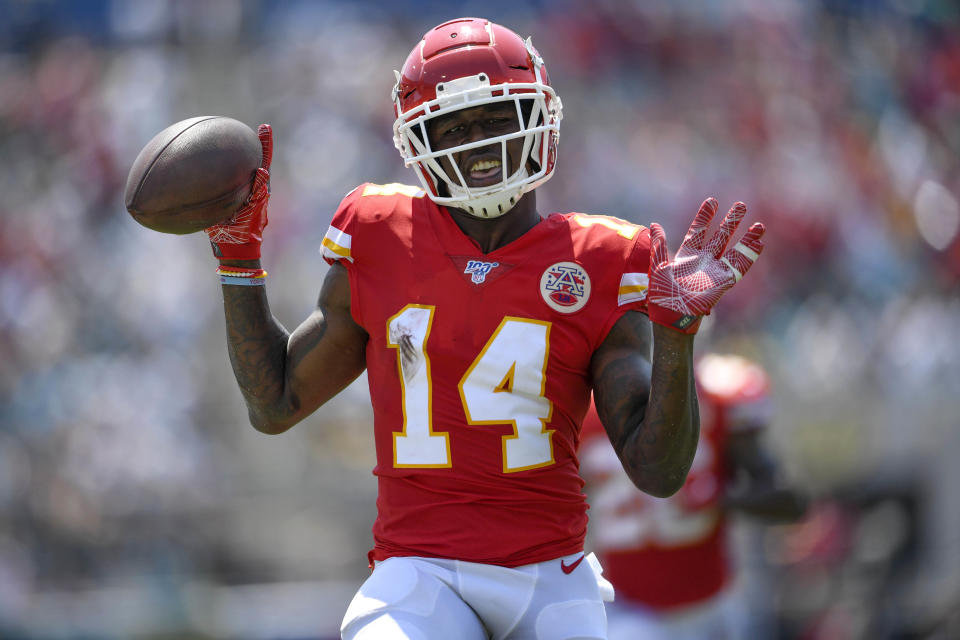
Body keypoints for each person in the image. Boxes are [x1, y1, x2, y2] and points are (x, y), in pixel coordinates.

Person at [202, 17, 766, 640]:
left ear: (538, 118)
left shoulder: (603, 258)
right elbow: (275, 403)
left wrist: (677, 339)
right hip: (419, 572)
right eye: (456, 127)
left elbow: (657, 476)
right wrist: (238, 258)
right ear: (418, 140)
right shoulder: (379, 232)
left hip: (550, 577)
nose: (479, 142)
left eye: (497, 119)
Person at [580, 352, 809, 640]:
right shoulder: (582, 410)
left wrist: (718, 498)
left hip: (712, 604)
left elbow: (789, 500)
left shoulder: (721, 396)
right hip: (627, 608)